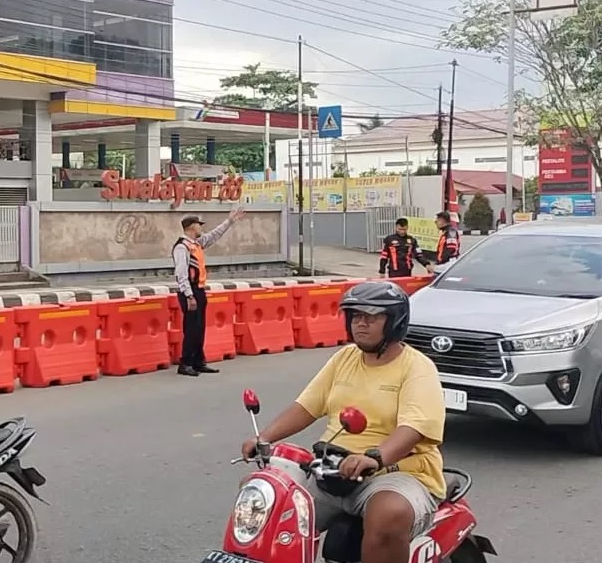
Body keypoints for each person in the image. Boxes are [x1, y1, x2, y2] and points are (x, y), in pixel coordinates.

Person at [239, 281, 446, 563]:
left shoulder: (417, 367)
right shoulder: (344, 358)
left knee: (389, 514)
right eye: (356, 317)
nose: (361, 324)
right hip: (333, 471)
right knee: (263, 501)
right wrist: (264, 438)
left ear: (395, 321)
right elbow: (307, 406)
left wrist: (375, 457)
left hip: (395, 473)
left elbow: (413, 428)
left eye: (371, 317)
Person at [172, 206, 246, 377]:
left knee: (199, 328)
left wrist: (230, 221)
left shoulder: (196, 244)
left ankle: (198, 361)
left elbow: (214, 235)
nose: (201, 228)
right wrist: (189, 295)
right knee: (191, 329)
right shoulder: (182, 247)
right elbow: (181, 273)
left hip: (199, 290)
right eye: (199, 225)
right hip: (189, 292)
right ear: (191, 227)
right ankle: (185, 363)